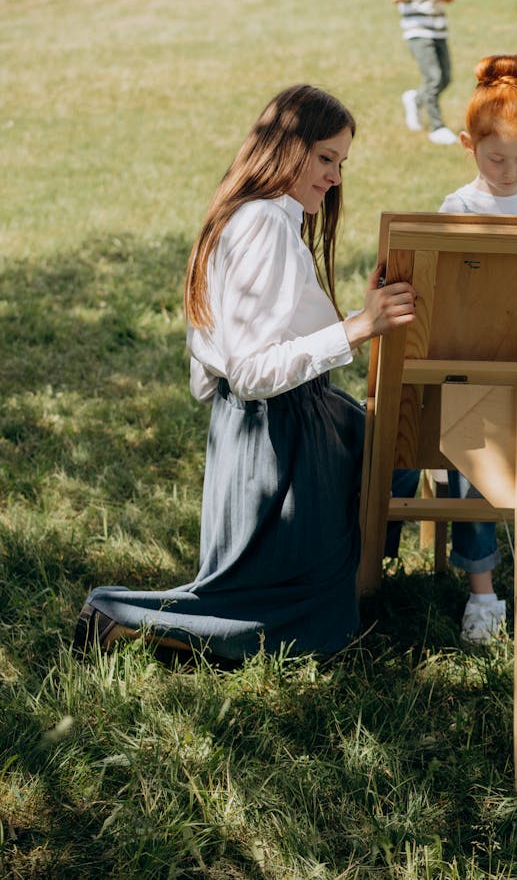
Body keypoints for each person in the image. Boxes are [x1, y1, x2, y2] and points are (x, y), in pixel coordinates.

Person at [73, 84, 419, 665]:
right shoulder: (262, 225)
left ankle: (349, 581)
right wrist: (359, 327)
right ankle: (122, 616)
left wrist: (356, 314)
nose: (335, 177)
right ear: (286, 149)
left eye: (342, 163)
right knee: (307, 628)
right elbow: (252, 371)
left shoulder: (259, 217)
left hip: (288, 419)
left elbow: (253, 340)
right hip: (276, 435)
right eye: (326, 158)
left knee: (391, 455)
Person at [439, 53, 517, 643]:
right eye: (496, 158)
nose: (511, 170)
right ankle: (484, 596)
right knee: (471, 471)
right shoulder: (457, 209)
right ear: (469, 144)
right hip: (470, 370)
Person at [390, 0, 458, 146]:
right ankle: (436, 127)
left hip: (439, 27)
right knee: (433, 76)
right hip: (417, 29)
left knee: (445, 78)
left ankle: (415, 99)